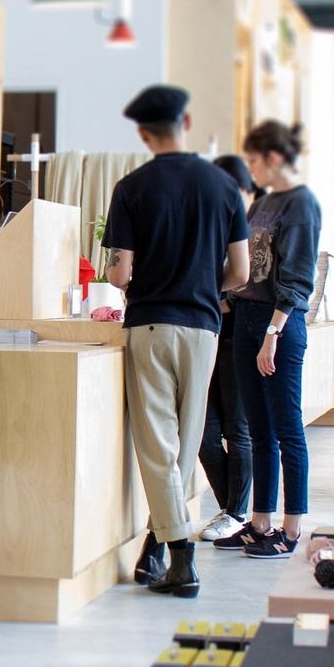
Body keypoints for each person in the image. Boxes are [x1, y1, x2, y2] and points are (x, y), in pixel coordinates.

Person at [103, 86, 251, 597]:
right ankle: (155, 546)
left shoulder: (131, 188)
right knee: (185, 444)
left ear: (143, 134)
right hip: (206, 329)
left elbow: (119, 275)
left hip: (150, 325)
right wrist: (205, 286)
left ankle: (181, 558)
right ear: (185, 121)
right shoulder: (226, 188)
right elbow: (241, 271)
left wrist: (133, 272)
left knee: (156, 443)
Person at [214, 121, 322, 559]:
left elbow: (297, 277)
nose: (251, 168)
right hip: (246, 319)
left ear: (274, 158)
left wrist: (272, 333)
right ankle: (260, 523)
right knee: (258, 429)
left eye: (255, 160)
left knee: (287, 428)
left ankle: (291, 530)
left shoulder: (301, 203)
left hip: (280, 324)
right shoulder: (264, 202)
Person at [196, 155, 258, 542]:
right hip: (209, 333)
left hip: (240, 336)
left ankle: (236, 511)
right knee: (203, 430)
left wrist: (210, 293)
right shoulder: (214, 225)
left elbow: (247, 285)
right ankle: (231, 511)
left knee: (238, 428)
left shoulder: (251, 227)